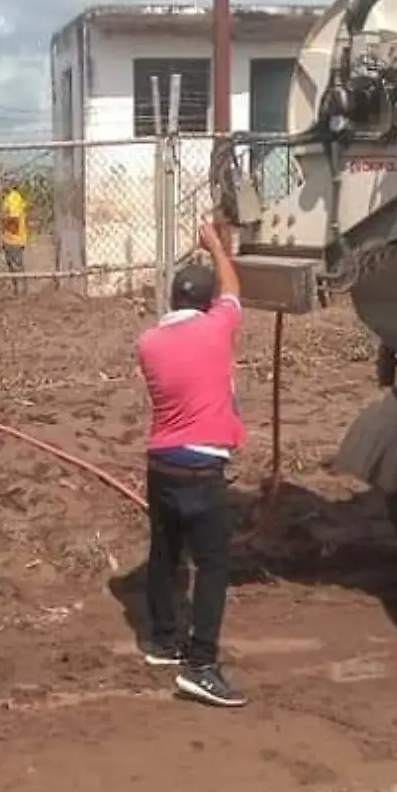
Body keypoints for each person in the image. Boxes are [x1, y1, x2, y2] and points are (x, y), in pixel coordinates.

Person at [133, 219, 246, 708]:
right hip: (203, 469)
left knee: (164, 553)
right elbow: (234, 290)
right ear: (204, 303)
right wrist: (217, 246)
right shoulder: (217, 328)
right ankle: (202, 665)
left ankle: (161, 640)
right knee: (213, 566)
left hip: (162, 464)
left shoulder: (148, 343)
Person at [0, 182, 28, 294]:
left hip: (14, 238)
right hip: (9, 238)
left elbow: (13, 221)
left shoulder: (13, 198)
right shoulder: (9, 198)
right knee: (12, 265)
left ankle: (22, 291)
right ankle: (18, 290)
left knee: (16, 265)